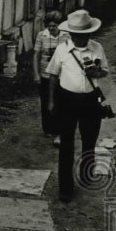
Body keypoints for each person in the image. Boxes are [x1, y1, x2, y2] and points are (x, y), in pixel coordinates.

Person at [46, 9, 110, 203]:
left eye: (84, 35)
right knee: (66, 144)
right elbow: (53, 75)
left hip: (90, 100)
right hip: (67, 100)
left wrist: (97, 73)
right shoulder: (62, 50)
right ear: (71, 34)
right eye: (77, 35)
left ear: (89, 33)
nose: (81, 38)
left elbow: (105, 71)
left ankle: (86, 173)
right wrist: (51, 101)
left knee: (89, 139)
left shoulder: (97, 48)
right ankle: (66, 188)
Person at [32, 10, 67, 144]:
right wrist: (36, 74)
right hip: (45, 74)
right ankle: (48, 128)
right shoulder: (42, 35)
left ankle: (59, 131)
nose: (51, 28)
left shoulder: (66, 36)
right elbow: (36, 55)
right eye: (49, 26)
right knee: (46, 101)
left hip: (61, 76)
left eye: (54, 26)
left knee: (60, 102)